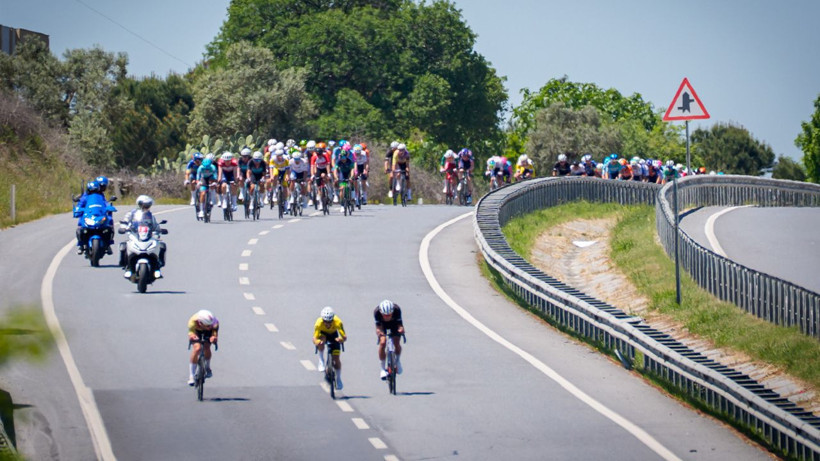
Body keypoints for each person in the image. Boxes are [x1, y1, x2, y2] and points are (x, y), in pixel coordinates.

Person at [120, 195, 165, 279]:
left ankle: (158, 266)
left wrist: (160, 230)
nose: (146, 207)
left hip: (147, 236)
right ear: (139, 204)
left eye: (148, 205)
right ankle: (127, 266)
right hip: (135, 235)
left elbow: (155, 225)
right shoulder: (132, 213)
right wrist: (123, 227)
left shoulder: (150, 215)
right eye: (145, 205)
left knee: (162, 245)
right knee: (124, 246)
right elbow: (125, 221)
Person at [73, 180, 115, 254]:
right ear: (89, 190)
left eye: (95, 190)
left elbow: (106, 203)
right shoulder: (85, 197)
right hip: (88, 215)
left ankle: (108, 244)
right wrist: (78, 209)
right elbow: (80, 205)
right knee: (80, 228)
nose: (94, 193)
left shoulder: (101, 197)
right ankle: (81, 245)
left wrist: (109, 207)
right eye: (92, 191)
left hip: (99, 215)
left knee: (109, 227)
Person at [313, 306, 346, 390]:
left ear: (333, 319)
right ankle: (321, 360)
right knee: (322, 340)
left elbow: (344, 337)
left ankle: (338, 378)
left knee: (336, 360)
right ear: (322, 319)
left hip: (334, 335)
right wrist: (318, 342)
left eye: (330, 321)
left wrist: (341, 339)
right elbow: (314, 338)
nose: (327, 324)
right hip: (323, 334)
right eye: (325, 321)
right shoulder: (318, 323)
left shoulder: (338, 322)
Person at [374, 299, 404, 380]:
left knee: (396, 342)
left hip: (394, 324)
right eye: (385, 315)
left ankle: (397, 361)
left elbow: (400, 324)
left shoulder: (397, 309)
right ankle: (382, 368)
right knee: (382, 342)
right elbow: (378, 327)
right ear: (381, 313)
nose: (387, 317)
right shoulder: (377, 312)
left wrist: (401, 329)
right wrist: (379, 332)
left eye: (389, 315)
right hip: (382, 325)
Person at [187, 309, 219, 386]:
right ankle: (191, 375)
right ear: (200, 322)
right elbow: (191, 333)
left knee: (207, 347)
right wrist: (192, 337)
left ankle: (207, 367)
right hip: (196, 331)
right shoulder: (192, 322)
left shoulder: (214, 322)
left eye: (210, 325)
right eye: (207, 325)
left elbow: (214, 332)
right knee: (197, 348)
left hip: (209, 332)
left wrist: (213, 337)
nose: (209, 327)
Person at [335, 145, 356, 211]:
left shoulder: (350, 161)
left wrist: (351, 177)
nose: (343, 159)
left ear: (346, 156)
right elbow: (335, 170)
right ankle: (342, 205)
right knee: (342, 188)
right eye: (342, 157)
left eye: (344, 157)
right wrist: (336, 177)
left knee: (352, 181)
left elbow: (352, 170)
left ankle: (353, 196)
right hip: (342, 174)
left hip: (348, 173)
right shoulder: (338, 161)